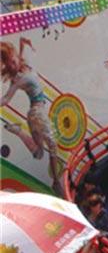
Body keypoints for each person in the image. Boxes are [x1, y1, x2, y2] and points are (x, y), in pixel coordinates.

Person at [1, 38, 63, 194]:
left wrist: (24, 43)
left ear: (15, 56)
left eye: (13, 61)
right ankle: (56, 182)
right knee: (53, 146)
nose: (13, 65)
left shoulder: (24, 64)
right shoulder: (17, 80)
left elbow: (21, 46)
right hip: (37, 113)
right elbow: (6, 99)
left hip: (34, 115)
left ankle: (18, 131)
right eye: (9, 65)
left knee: (39, 153)